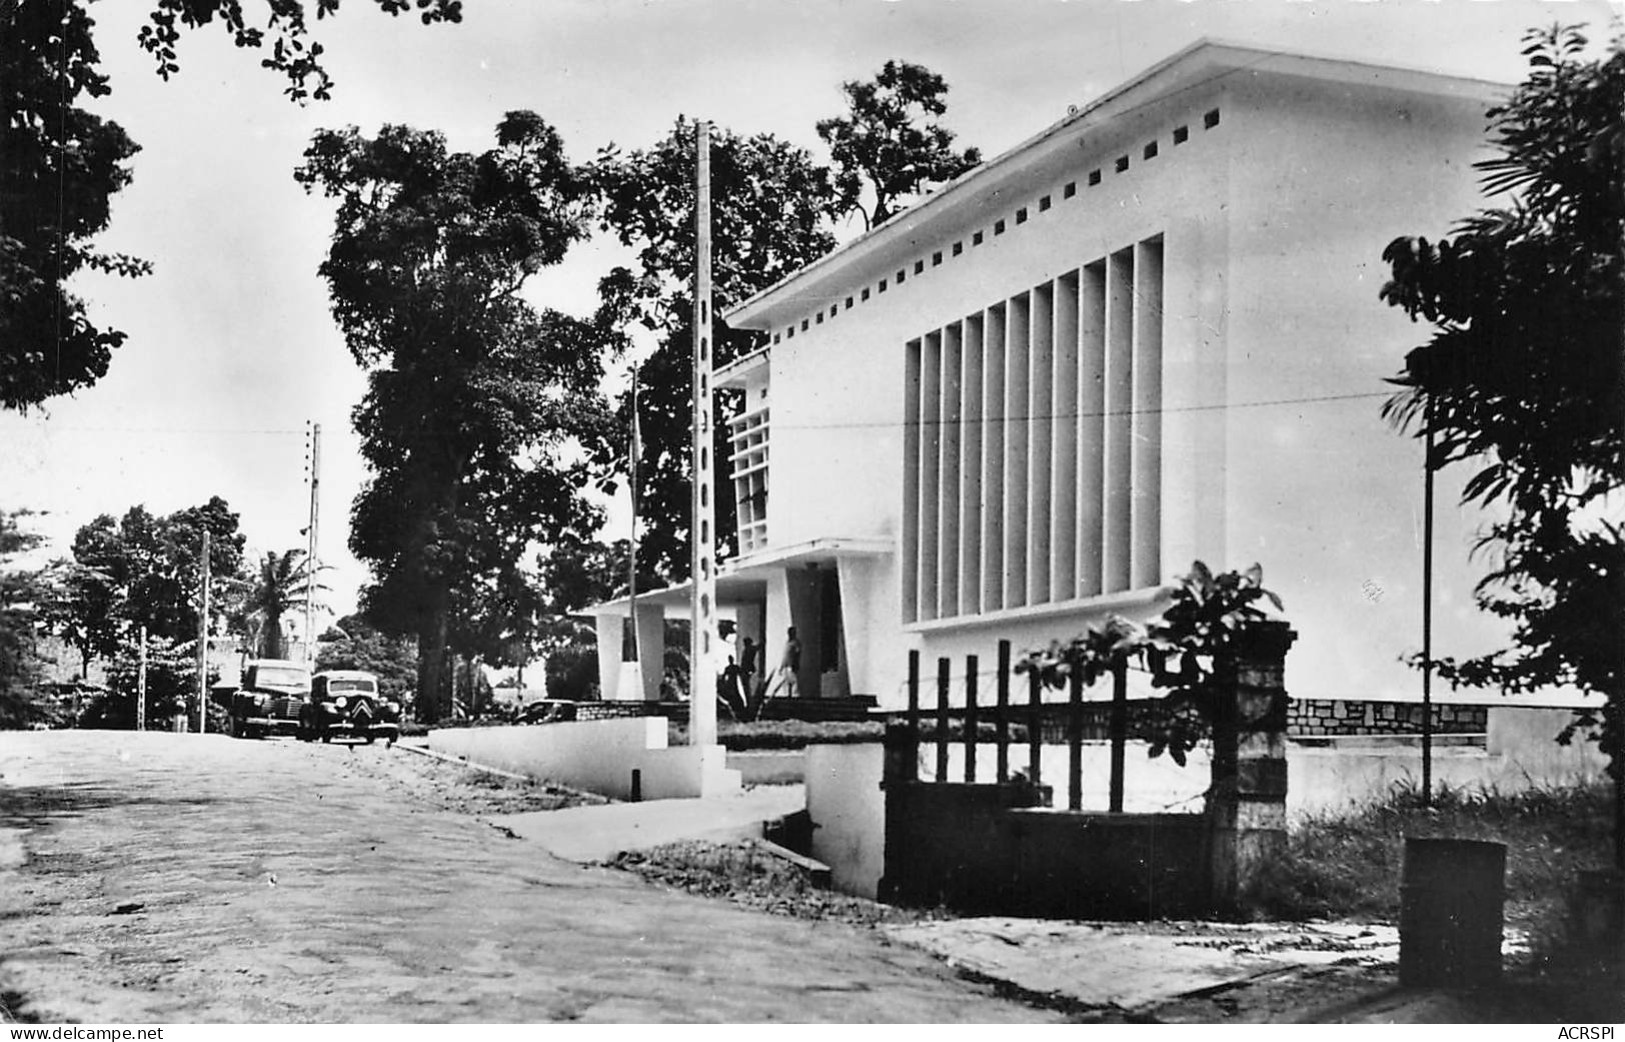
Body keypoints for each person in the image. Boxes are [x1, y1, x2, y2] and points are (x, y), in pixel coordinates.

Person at [768, 627, 801, 699]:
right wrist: (781, 667)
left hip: (791, 665)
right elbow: (785, 656)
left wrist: (795, 663)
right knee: (786, 682)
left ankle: (794, 696)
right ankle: (787, 696)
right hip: (786, 665)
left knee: (793, 681)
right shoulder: (788, 643)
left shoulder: (795, 643)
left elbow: (797, 654)